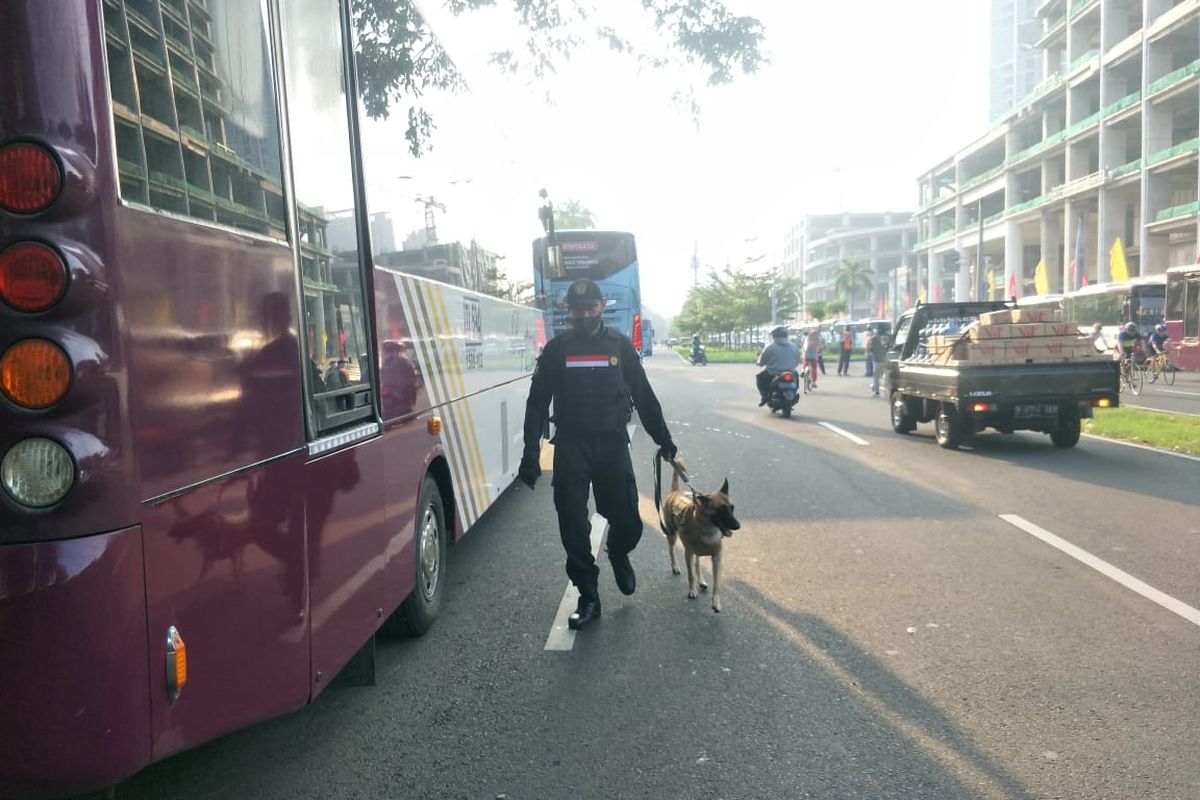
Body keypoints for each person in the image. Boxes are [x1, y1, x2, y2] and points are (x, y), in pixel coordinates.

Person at [519, 278, 676, 631]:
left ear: (602, 307)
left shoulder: (620, 347)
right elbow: (536, 404)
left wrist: (663, 439)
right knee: (572, 522)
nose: (585, 313)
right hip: (572, 446)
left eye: (591, 307)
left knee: (629, 522)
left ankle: (618, 552)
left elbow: (644, 396)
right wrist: (531, 454)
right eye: (578, 309)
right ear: (570, 312)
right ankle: (588, 595)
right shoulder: (557, 350)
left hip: (611, 445)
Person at [755, 325, 801, 406]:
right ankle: (794, 393)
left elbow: (762, 361)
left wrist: (759, 363)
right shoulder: (794, 346)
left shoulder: (770, 347)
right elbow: (798, 360)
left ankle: (765, 397)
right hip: (790, 372)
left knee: (760, 378)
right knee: (796, 378)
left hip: (772, 373)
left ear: (773, 335)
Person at [869, 331, 888, 397]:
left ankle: (876, 392)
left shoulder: (874, 341)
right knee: (882, 375)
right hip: (885, 360)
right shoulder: (884, 339)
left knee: (876, 376)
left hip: (877, 361)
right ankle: (875, 386)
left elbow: (871, 349)